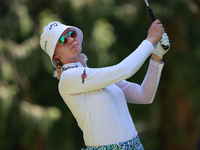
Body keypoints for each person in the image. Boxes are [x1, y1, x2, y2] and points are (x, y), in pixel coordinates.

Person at [40, 19, 170, 150]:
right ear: (55, 55)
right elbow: (125, 69)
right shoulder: (68, 78)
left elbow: (143, 95)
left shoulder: (98, 77)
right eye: (62, 40)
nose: (70, 39)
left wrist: (156, 57)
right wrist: (150, 41)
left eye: (71, 33)